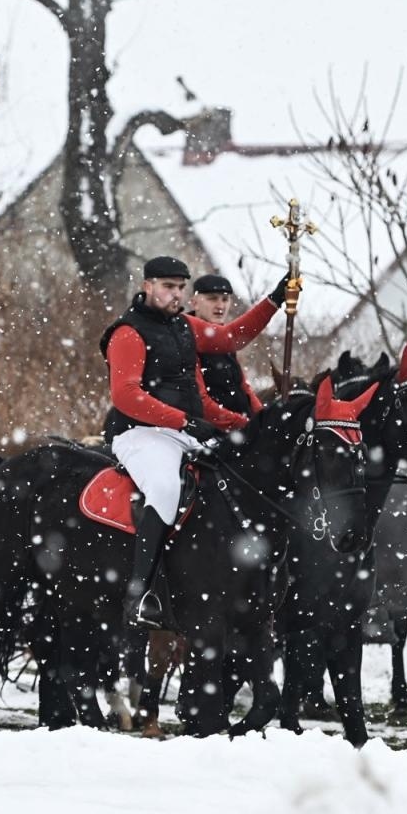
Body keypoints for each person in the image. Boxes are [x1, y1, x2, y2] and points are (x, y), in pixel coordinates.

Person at [100, 256, 288, 628]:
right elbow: (125, 395)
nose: (175, 294)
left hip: (182, 432)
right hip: (141, 434)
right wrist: (185, 421)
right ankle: (140, 595)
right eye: (167, 286)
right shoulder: (128, 332)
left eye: (180, 287)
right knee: (167, 488)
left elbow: (233, 337)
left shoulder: (184, 326)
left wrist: (275, 299)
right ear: (147, 286)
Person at [188, 274, 265, 417]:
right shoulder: (186, 336)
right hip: (211, 430)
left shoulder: (225, 340)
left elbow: (243, 386)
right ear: (194, 302)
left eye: (225, 299)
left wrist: (263, 417)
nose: (220, 305)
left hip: (240, 423)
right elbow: (201, 400)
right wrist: (241, 424)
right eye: (212, 298)